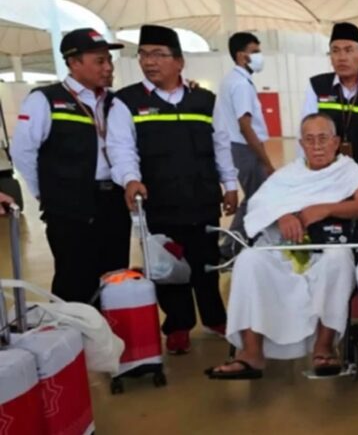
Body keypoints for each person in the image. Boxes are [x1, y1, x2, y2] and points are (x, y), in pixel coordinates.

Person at [207, 113, 358, 380]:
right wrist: (282, 215)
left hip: (327, 251)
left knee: (338, 258)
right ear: (301, 144)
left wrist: (326, 208)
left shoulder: (349, 171)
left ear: (335, 142)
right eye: (310, 140)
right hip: (284, 249)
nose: (317, 146)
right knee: (249, 260)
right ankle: (251, 353)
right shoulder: (288, 175)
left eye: (323, 139)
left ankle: (324, 346)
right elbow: (258, 205)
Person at [107, 24, 239, 354]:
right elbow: (121, 148)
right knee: (166, 267)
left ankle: (214, 317)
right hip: (159, 201)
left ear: (179, 62)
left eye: (158, 55)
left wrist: (230, 184)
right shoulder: (127, 101)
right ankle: (178, 325)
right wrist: (129, 179)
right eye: (143, 55)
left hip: (201, 197)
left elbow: (221, 144)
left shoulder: (204, 100)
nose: (149, 62)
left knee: (206, 261)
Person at [10, 28, 131, 304]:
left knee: (115, 277)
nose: (108, 67)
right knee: (75, 279)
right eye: (99, 61)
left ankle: (110, 331)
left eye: (109, 60)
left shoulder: (114, 102)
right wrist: (46, 193)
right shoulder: (46, 100)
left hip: (112, 202)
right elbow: (23, 152)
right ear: (74, 63)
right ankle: (75, 330)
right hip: (69, 208)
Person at [300, 22, 358, 173]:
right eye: (335, 51)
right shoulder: (317, 86)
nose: (341, 58)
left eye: (348, 50)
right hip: (330, 173)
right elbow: (306, 132)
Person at [214, 32, 273, 254]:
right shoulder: (240, 84)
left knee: (254, 197)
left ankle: (236, 241)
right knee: (256, 199)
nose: (259, 56)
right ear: (241, 56)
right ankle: (231, 246)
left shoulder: (231, 80)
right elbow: (245, 126)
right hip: (245, 148)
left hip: (238, 147)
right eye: (254, 52)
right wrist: (266, 161)